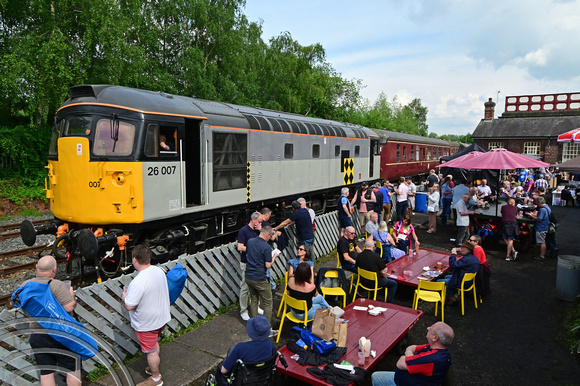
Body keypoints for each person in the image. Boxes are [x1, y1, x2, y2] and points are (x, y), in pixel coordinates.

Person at [24, 256, 81, 386]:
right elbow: (69, 307)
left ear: (36, 267)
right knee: (72, 368)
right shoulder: (57, 285)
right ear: (54, 270)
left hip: (38, 335)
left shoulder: (25, 285)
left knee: (46, 372)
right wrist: (71, 296)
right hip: (60, 334)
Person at [123, 244, 171, 386]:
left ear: (135, 260)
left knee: (150, 351)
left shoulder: (137, 282)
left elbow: (129, 305)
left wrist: (125, 296)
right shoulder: (158, 270)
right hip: (161, 317)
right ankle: (152, 368)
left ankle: (156, 379)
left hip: (147, 323)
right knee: (154, 343)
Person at [371, 322, 453, 386]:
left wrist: (408, 356)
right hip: (409, 378)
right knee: (376, 375)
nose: (428, 328)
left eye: (431, 329)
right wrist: (411, 357)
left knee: (376, 377)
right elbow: (412, 347)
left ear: (435, 338)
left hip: (403, 383)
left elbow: (400, 363)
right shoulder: (439, 349)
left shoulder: (431, 359)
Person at [218, 315, 276, 385]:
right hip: (263, 380)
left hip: (243, 382)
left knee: (231, 352)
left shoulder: (240, 348)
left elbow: (223, 370)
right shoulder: (270, 344)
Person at [245, 225, 279, 321]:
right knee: (268, 302)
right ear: (267, 235)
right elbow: (268, 265)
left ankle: (254, 323)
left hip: (248, 276)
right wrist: (275, 257)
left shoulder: (250, 241)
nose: (271, 238)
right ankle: (266, 327)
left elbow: (247, 255)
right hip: (259, 277)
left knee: (254, 299)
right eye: (271, 235)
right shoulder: (266, 247)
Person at [237, 212, 262, 321]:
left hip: (257, 262)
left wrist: (261, 230)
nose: (260, 223)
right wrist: (251, 249)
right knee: (245, 287)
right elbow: (240, 247)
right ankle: (243, 310)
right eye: (259, 221)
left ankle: (256, 306)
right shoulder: (243, 231)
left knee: (257, 286)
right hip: (247, 262)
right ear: (253, 220)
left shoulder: (258, 230)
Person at [525, 196, 551, 261]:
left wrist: (531, 216)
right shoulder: (547, 207)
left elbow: (539, 219)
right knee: (542, 241)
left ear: (539, 202)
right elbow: (541, 216)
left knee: (541, 242)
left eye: (536, 202)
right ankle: (543, 254)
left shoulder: (542, 209)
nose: (536, 204)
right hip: (544, 226)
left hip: (541, 227)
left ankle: (542, 256)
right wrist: (533, 215)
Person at [261, 208, 279, 291]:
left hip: (260, 248)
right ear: (267, 215)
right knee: (267, 269)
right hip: (266, 248)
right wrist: (277, 234)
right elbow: (271, 238)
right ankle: (272, 286)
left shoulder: (258, 223)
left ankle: (272, 285)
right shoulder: (266, 225)